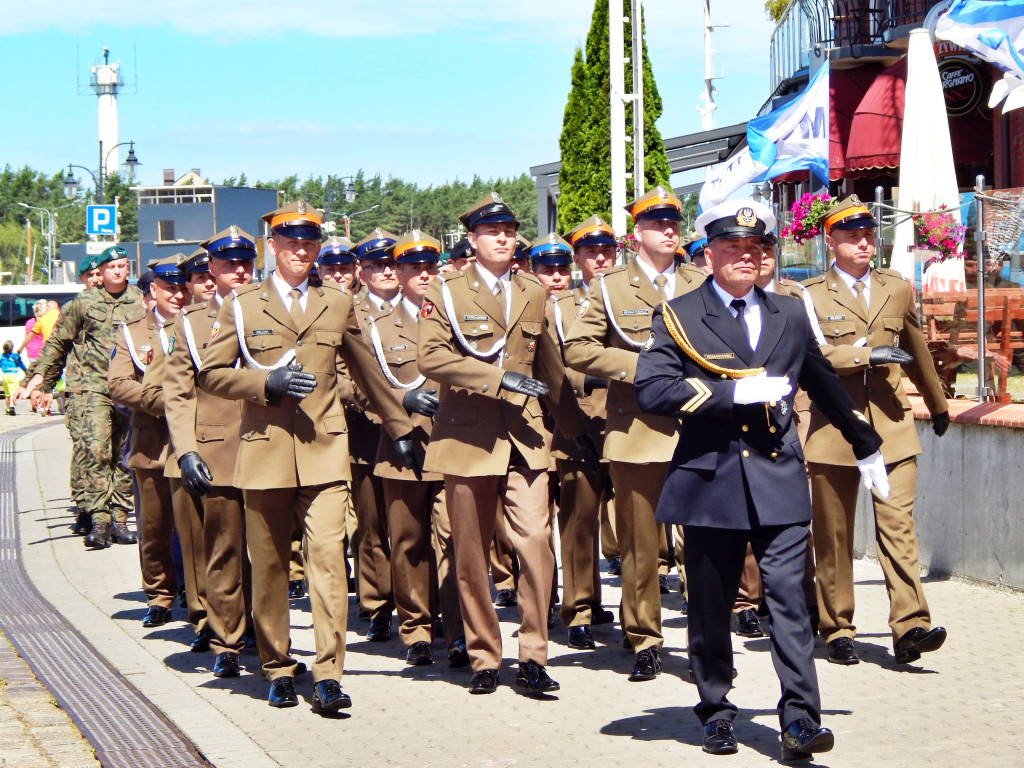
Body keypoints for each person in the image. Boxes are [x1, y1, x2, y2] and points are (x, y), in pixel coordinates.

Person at [635, 198, 888, 761]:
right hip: (711, 481)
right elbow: (652, 391)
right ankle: (716, 709)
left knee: (790, 605)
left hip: (776, 477)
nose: (746, 258)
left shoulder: (790, 314)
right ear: (707, 255)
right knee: (709, 605)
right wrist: (732, 395)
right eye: (732, 248)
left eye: (756, 249)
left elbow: (823, 383)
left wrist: (864, 443)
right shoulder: (678, 314)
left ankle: (800, 721)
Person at [197, 200, 417, 714]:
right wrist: (263, 382)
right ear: (272, 247)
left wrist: (400, 426)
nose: (301, 250)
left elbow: (369, 373)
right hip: (263, 452)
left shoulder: (337, 302)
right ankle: (276, 666)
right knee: (270, 567)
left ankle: (327, 673)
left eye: (310, 242)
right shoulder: (243, 303)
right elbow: (209, 374)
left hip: (323, 449)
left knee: (327, 564)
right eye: (291, 242)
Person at [417, 192, 596, 697]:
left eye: (510, 230)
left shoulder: (533, 291)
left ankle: (534, 653)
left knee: (535, 543)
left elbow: (551, 368)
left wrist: (575, 428)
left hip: (526, 435)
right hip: (468, 434)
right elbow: (431, 358)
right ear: (472, 240)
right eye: (492, 232)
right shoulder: (446, 290)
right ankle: (483, 657)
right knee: (470, 553)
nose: (503, 237)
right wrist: (497, 380)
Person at [563, 186, 705, 682]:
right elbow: (578, 351)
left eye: (675, 221)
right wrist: (640, 366)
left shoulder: (701, 281)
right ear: (637, 233)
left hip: (699, 426)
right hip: (638, 428)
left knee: (703, 542)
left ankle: (705, 639)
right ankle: (644, 636)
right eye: (658, 222)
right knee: (641, 544)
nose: (670, 229)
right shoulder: (609, 287)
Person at [801, 195, 950, 666]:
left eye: (868, 235)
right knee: (834, 533)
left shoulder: (897, 286)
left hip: (891, 424)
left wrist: (937, 402)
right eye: (852, 236)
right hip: (834, 427)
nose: (863, 243)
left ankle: (911, 626)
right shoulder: (808, 295)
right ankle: (837, 626)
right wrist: (865, 355)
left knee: (898, 526)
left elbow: (917, 346)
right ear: (831, 242)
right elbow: (813, 358)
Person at [142, 227, 260, 677]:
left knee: (267, 558)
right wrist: (187, 450)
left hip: (267, 448)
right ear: (210, 270)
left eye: (246, 262)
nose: (239, 271)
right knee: (223, 552)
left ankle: (269, 639)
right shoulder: (187, 327)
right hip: (217, 452)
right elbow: (177, 394)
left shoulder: (271, 311)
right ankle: (226, 640)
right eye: (229, 264)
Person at [368, 229, 468, 667]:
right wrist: (398, 409)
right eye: (413, 267)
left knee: (455, 539)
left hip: (454, 445)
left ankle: (459, 629)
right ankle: (417, 631)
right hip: (401, 448)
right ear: (400, 273)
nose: (423, 274)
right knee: (408, 543)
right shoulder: (375, 327)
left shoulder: (457, 315)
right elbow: (358, 385)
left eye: (430, 266)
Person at [19, 245, 144, 548]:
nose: (118, 271)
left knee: (124, 456)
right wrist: (38, 380)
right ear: (100, 271)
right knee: (97, 451)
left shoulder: (140, 301)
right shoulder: (83, 303)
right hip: (92, 389)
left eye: (123, 266)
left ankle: (119, 518)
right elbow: (57, 345)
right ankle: (99, 519)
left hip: (128, 390)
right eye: (112, 267)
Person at [536, 226, 616, 650]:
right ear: (578, 259)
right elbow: (548, 364)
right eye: (590, 252)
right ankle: (580, 608)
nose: (600, 258)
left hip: (632, 423)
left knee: (637, 525)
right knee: (580, 522)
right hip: (582, 422)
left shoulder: (628, 297)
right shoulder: (558, 307)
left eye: (607, 250)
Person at [109, 255, 196, 634]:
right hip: (152, 441)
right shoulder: (132, 332)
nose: (178, 294)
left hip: (195, 440)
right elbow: (118, 383)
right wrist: (167, 402)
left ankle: (197, 597)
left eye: (183, 287)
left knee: (196, 527)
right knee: (155, 526)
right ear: (153, 292)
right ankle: (159, 595)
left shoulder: (202, 323)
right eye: (169, 288)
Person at [350, 227, 403, 641]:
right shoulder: (347, 313)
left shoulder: (427, 307)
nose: (386, 271)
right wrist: (384, 406)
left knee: (413, 527)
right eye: (375, 265)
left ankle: (418, 602)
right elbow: (337, 377)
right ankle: (377, 603)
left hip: (421, 436)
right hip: (368, 431)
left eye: (391, 263)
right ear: (361, 271)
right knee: (371, 526)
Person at [1, 340, 27, 414]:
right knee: (13, 392)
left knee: (7, 394)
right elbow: (21, 364)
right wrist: (26, 371)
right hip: (13, 375)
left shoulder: (1, 356)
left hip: (5, 375)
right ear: (12, 349)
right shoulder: (15, 356)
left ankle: (8, 408)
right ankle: (12, 406)